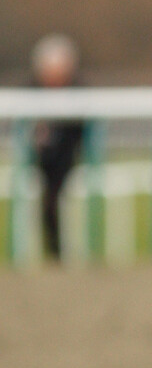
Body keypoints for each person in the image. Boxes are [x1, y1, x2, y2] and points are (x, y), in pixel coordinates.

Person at [31, 33, 84, 261]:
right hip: (39, 165)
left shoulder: (81, 93)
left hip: (67, 163)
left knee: (57, 186)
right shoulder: (29, 93)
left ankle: (61, 250)